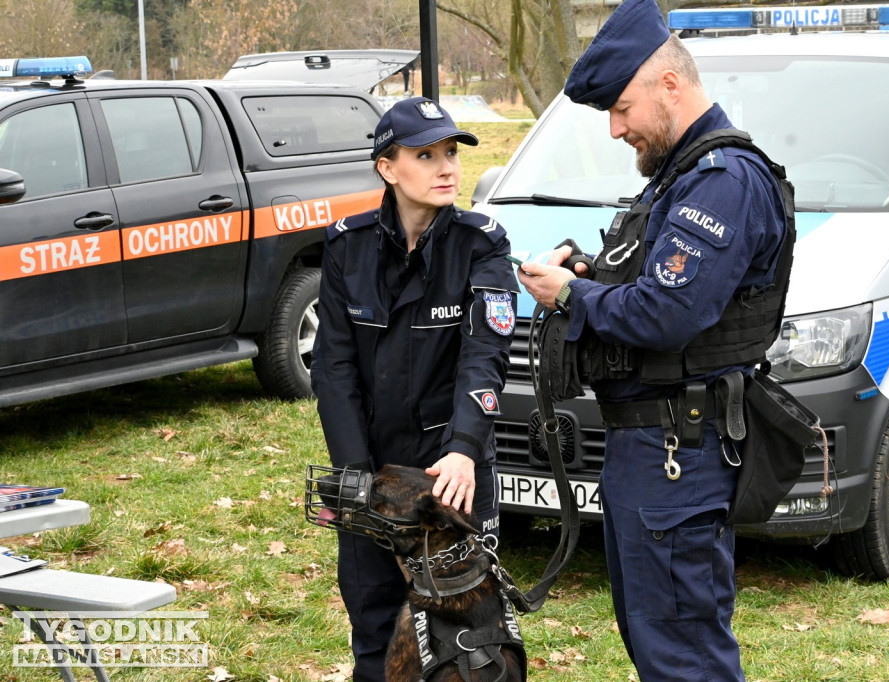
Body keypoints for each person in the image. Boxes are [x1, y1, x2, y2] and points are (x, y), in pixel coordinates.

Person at [515, 0, 790, 679]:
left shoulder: (722, 181)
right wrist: (589, 273)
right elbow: (650, 284)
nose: (615, 129)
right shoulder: (681, 177)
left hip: (679, 455)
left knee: (681, 657)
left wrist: (571, 294)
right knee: (659, 644)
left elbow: (668, 314)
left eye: (621, 108)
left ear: (671, 83)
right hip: (656, 452)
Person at [310, 96, 517, 681]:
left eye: (451, 152)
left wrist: (464, 449)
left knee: (466, 634)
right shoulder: (347, 246)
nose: (447, 167)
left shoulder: (481, 243)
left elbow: (486, 353)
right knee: (375, 628)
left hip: (448, 467)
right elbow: (333, 365)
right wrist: (354, 473)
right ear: (387, 167)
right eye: (425, 155)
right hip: (373, 466)